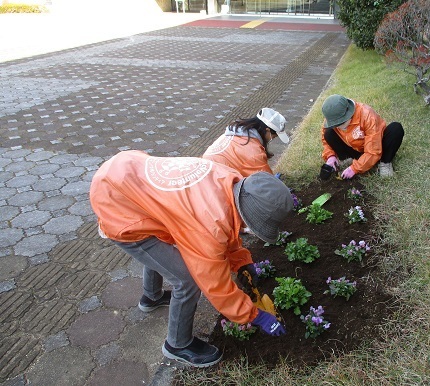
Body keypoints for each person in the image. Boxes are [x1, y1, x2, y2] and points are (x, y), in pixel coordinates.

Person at [89, 150, 292, 367]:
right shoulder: (207, 226)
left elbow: (228, 223)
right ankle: (177, 344)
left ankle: (152, 297)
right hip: (118, 204)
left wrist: (242, 261)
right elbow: (216, 285)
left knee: (163, 250)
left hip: (128, 171)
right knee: (187, 280)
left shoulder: (229, 180)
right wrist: (255, 316)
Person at [320, 94, 404, 179]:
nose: (338, 127)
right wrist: (331, 156)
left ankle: (385, 163)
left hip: (378, 146)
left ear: (349, 113)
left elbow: (373, 150)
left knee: (396, 129)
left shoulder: (367, 115)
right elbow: (325, 140)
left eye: (341, 123)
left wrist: (354, 169)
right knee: (328, 132)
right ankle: (348, 159)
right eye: (336, 125)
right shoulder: (332, 118)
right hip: (356, 148)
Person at [202, 108, 289, 177]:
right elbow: (266, 182)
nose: (273, 139)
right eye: (274, 136)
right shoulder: (254, 152)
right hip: (214, 178)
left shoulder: (237, 132)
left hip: (203, 169)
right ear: (267, 130)